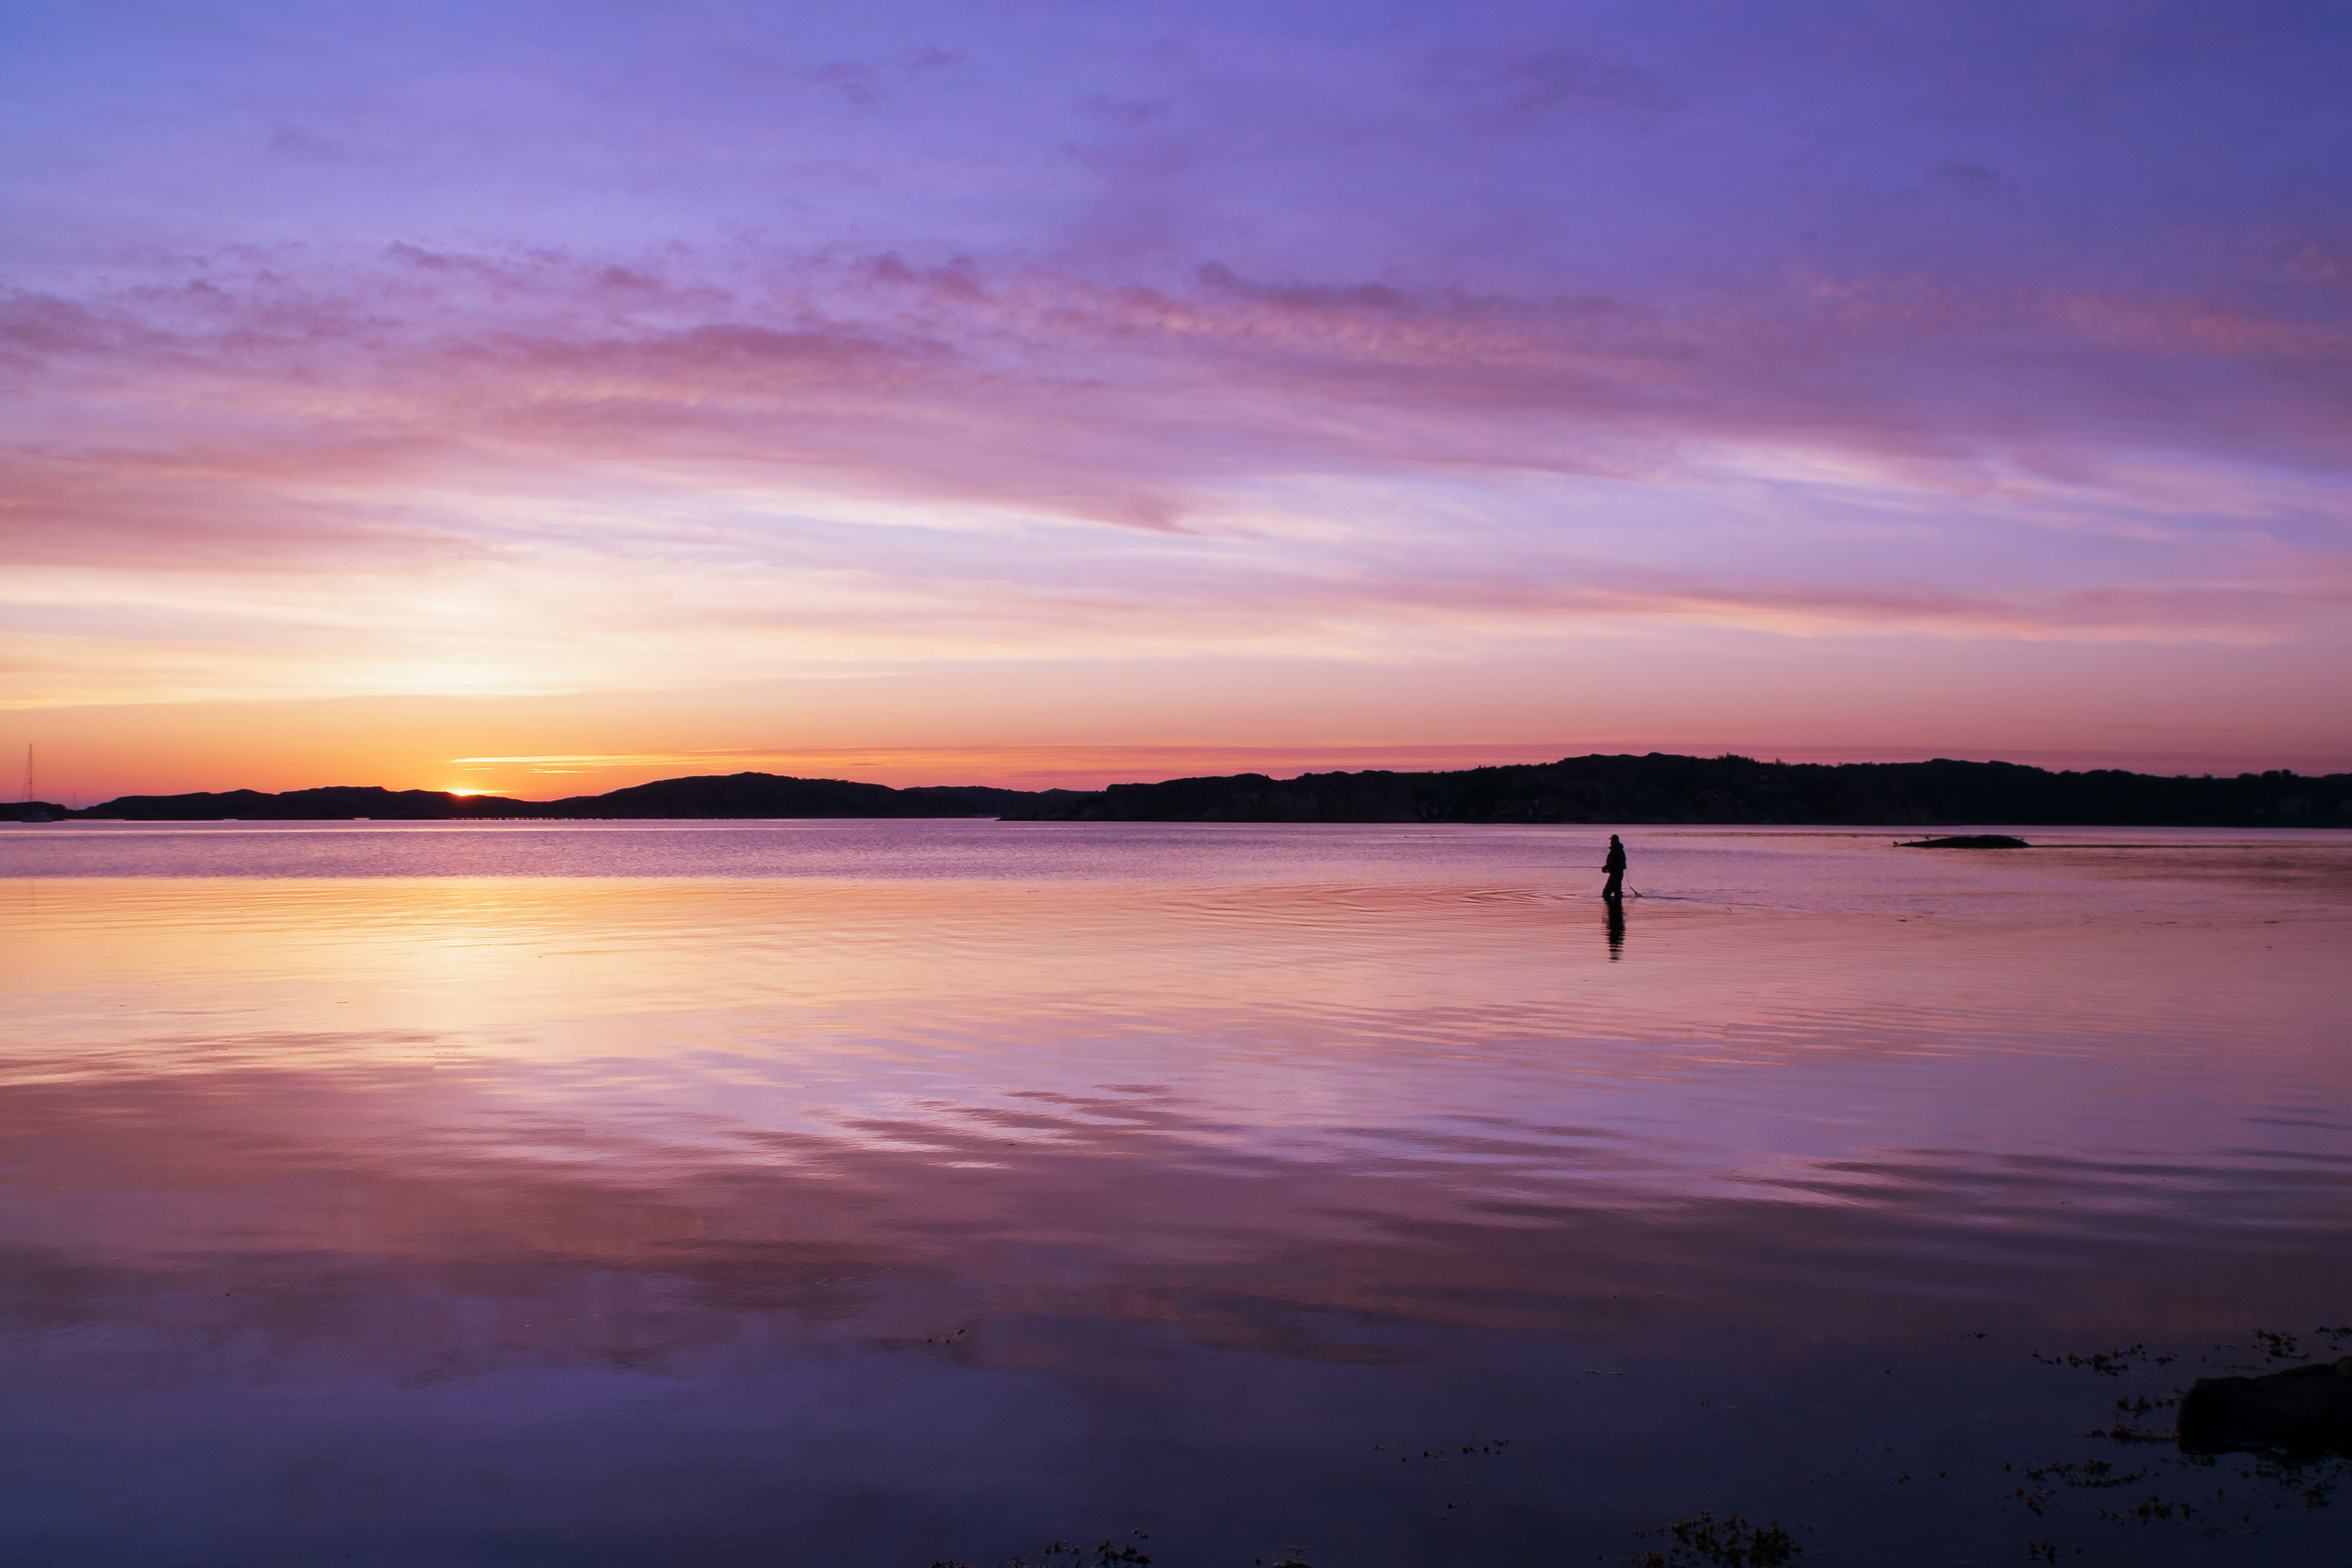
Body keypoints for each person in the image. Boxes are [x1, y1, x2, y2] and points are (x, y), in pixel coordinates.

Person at [1601, 834, 1627, 899]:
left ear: (1614, 841)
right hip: (1617, 873)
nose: (1611, 842)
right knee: (1617, 892)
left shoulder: (1616, 850)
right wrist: (1607, 867)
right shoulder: (1618, 849)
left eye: (1612, 840)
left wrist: (1606, 868)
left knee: (1606, 893)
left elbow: (1613, 863)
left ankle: (1615, 907)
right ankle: (1617, 908)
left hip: (1615, 874)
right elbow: (1613, 863)